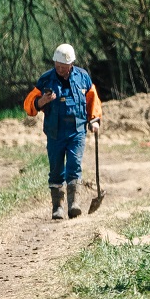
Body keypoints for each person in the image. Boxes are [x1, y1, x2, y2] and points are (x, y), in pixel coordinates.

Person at [24, 43, 103, 219]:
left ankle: (74, 204)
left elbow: (93, 100)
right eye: (57, 66)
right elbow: (30, 106)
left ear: (71, 64)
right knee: (56, 169)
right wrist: (42, 101)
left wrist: (94, 120)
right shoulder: (46, 80)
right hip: (55, 132)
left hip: (77, 131)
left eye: (64, 67)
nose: (60, 69)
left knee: (74, 165)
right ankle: (57, 207)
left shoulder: (83, 77)